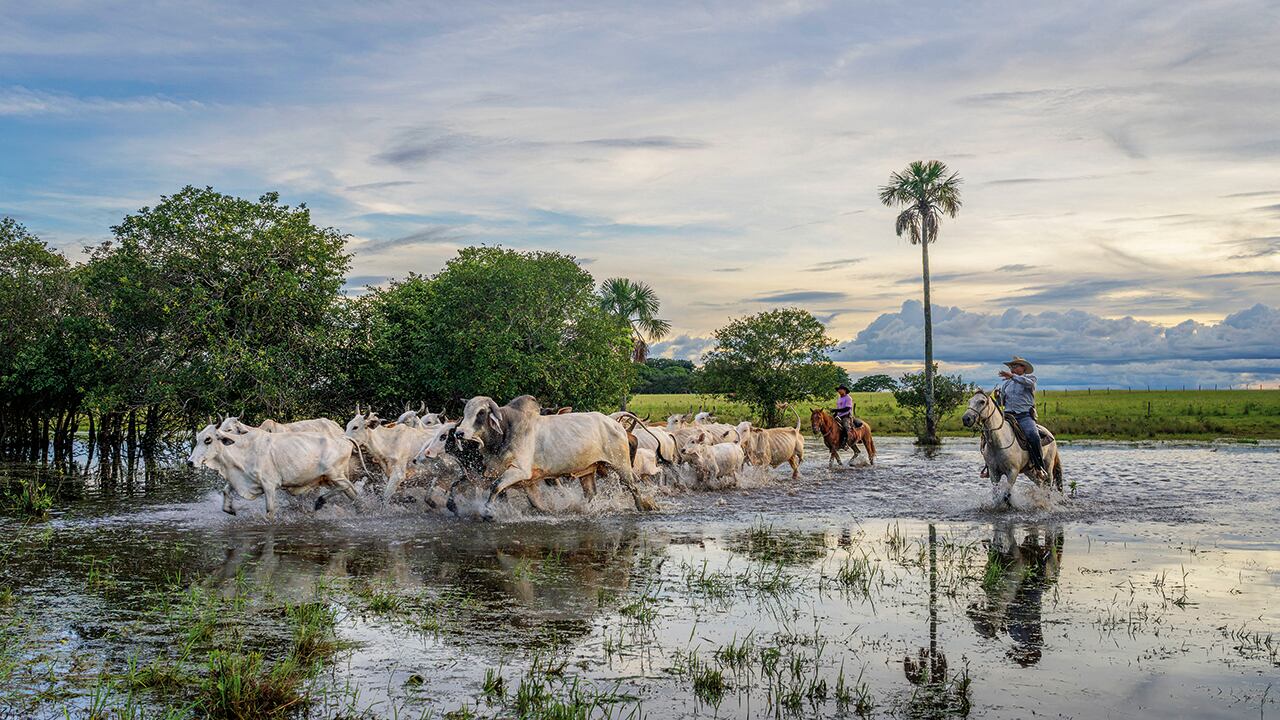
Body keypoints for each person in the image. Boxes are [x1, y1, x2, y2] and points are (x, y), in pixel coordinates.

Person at [998, 356, 1048, 478]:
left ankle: (1039, 467)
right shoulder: (1006, 384)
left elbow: (1027, 383)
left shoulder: (1030, 379)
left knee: (1033, 435)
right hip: (1008, 416)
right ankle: (991, 466)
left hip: (1024, 416)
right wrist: (999, 397)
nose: (1012, 368)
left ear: (1023, 367)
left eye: (1015, 366)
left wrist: (1012, 377)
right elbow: (1002, 403)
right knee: (992, 434)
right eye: (1011, 367)